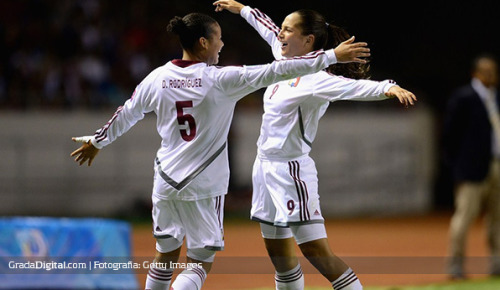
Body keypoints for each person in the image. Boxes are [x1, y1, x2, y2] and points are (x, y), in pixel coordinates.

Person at [70, 11, 371, 290]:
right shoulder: (221, 79)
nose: (222, 44)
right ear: (204, 42)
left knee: (164, 257)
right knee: (199, 263)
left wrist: (97, 142)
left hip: (164, 180)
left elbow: (127, 112)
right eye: (218, 38)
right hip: (203, 185)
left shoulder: (157, 77)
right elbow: (275, 72)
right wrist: (331, 56)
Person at [214, 1, 417, 289]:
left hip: (291, 170)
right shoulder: (282, 57)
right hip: (264, 168)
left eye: (288, 29)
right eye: (282, 28)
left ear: (307, 40)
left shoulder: (318, 80)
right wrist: (242, 9)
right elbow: (267, 27)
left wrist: (389, 87)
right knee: (281, 260)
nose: (280, 33)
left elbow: (356, 88)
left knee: (316, 252)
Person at [444, 54, 500, 280]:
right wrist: (456, 166)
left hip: (496, 166)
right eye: (486, 71)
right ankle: (455, 266)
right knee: (464, 218)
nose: (491, 75)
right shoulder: (464, 97)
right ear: (475, 73)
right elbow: (449, 135)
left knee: (497, 219)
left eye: (494, 71)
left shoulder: (497, 97)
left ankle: (497, 265)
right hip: (471, 169)